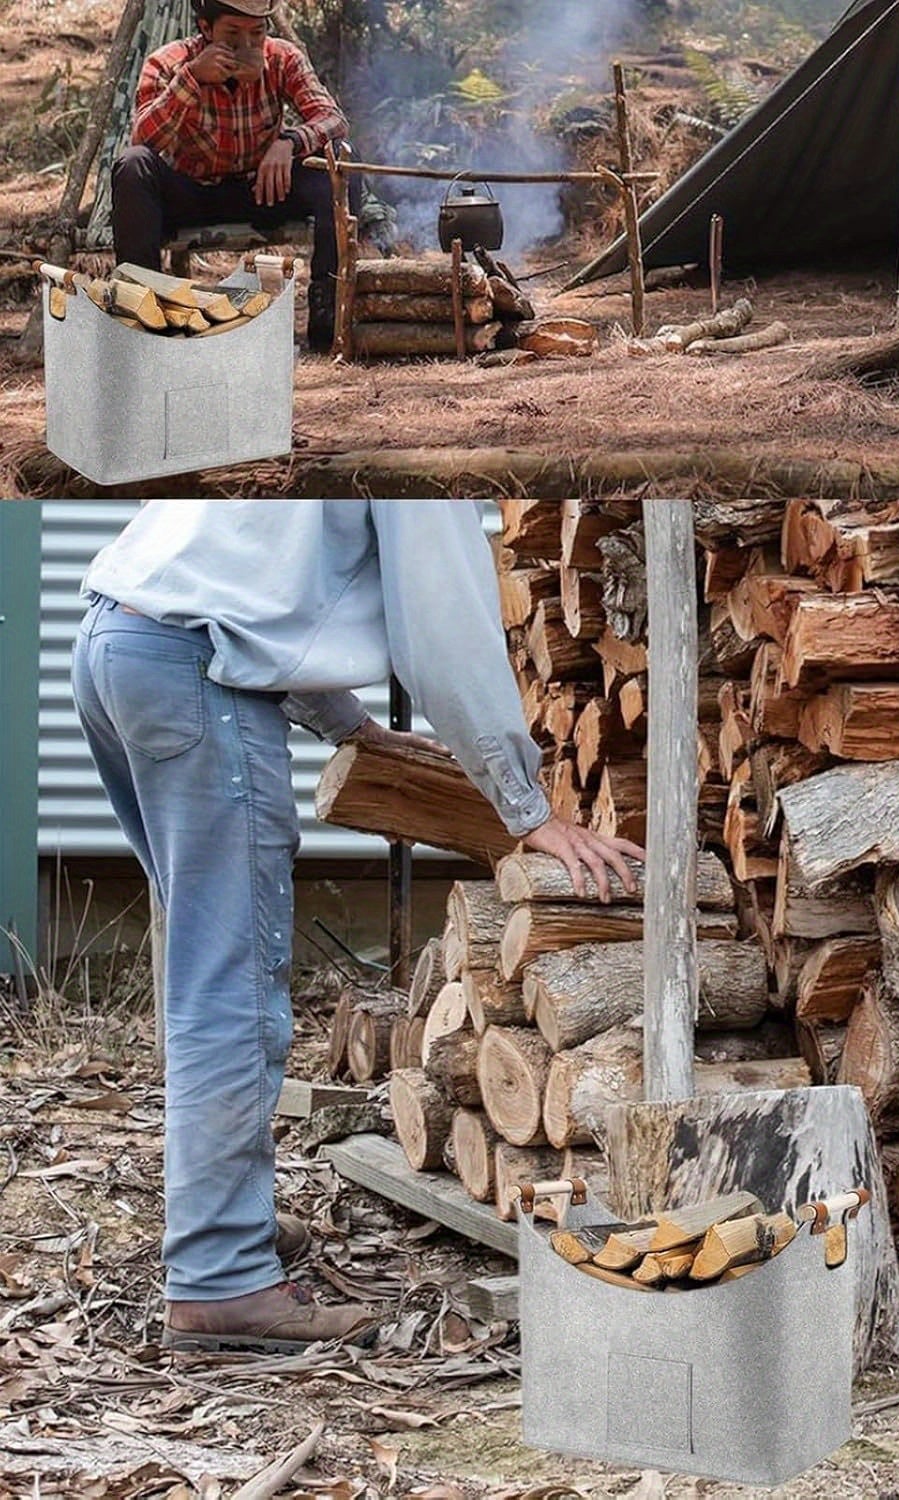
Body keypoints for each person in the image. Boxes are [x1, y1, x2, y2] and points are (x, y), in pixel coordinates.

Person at [71, 501, 645, 1353]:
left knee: (205, 972)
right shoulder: (425, 468)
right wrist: (524, 808)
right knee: (229, 987)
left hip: (114, 645)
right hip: (191, 674)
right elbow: (444, 638)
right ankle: (220, 1282)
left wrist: (354, 728)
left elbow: (251, 589)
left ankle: (223, 1228)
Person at [110, 0, 351, 351]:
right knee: (133, 167)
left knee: (341, 169)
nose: (248, 46)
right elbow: (142, 138)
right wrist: (192, 79)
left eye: (257, 33)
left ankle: (328, 316)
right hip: (193, 192)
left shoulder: (282, 57)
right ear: (206, 30)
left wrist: (290, 140)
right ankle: (144, 322)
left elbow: (333, 119)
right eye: (233, 35)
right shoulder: (169, 62)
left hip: (262, 190)